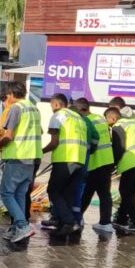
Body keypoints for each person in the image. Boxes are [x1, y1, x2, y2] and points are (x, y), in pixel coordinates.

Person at [0, 82, 40, 243]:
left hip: (18, 156)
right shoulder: (34, 108)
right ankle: (17, 228)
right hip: (32, 157)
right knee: (19, 193)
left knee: (6, 193)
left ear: (11, 94)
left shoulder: (16, 108)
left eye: (7, 96)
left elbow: (9, 136)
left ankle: (22, 225)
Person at [41, 94, 89, 236]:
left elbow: (54, 142)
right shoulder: (78, 117)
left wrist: (40, 152)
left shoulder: (58, 116)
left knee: (53, 191)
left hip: (65, 158)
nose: (51, 109)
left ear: (56, 104)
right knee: (67, 192)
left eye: (51, 105)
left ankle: (68, 222)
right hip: (79, 160)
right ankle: (64, 223)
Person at [106, 107, 135, 232]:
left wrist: (112, 165)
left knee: (125, 192)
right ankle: (121, 218)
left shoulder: (119, 126)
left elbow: (118, 148)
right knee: (129, 193)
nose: (107, 124)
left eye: (107, 120)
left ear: (112, 118)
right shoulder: (134, 122)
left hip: (133, 162)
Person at [76, 99, 116, 234]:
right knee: (103, 194)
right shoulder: (100, 118)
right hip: (107, 160)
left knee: (87, 192)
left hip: (94, 162)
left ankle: (78, 218)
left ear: (81, 109)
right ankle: (105, 223)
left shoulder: (86, 121)